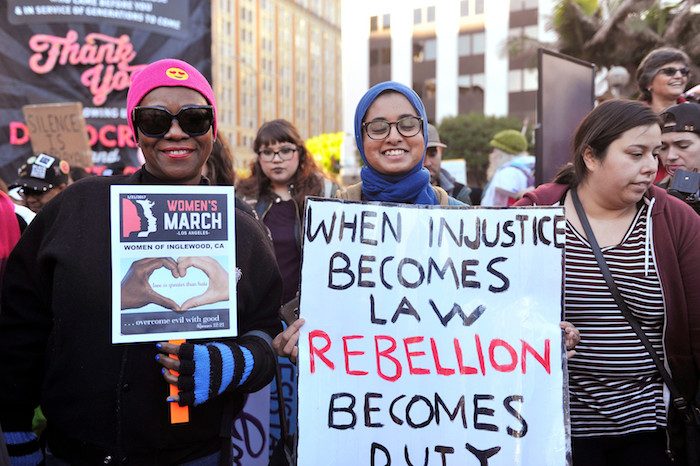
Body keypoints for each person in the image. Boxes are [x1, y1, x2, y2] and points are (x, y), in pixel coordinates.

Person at [0, 58, 282, 465]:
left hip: (193, 455)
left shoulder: (242, 227)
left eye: (195, 118)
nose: (175, 132)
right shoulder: (77, 207)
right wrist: (15, 429)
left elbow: (267, 339)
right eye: (154, 119)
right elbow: (22, 323)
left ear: (212, 130)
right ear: (135, 130)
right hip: (72, 452)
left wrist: (224, 365)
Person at [273, 81, 579, 362]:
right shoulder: (333, 220)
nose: (394, 136)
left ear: (422, 133)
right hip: (359, 399)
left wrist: (540, 335)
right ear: (360, 137)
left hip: (445, 399)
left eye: (408, 124)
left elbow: (492, 310)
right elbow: (321, 312)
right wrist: (300, 343)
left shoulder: (460, 217)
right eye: (378, 127)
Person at [515, 99, 700, 465]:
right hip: (549, 433)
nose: (652, 166)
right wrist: (537, 331)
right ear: (591, 156)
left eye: (655, 152)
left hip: (648, 434)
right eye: (636, 154)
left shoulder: (676, 221)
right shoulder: (532, 215)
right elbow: (496, 311)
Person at [237, 119, 337, 306]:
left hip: (310, 309)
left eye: (285, 150)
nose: (276, 159)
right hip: (259, 313)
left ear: (300, 152)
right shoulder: (242, 196)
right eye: (267, 152)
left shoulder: (326, 192)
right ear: (258, 157)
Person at [480, 129, 534, 207]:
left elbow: (505, 189)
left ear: (502, 154)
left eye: (495, 151)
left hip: (500, 217)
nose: (492, 155)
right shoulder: (525, 169)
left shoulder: (508, 172)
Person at [423, 123, 471, 204]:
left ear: (441, 152)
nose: (427, 163)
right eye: (421, 156)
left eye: (432, 153)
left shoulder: (459, 192)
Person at [636, 47, 692, 114]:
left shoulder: (695, 113)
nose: (679, 76)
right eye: (669, 71)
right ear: (648, 83)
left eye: (683, 71)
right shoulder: (634, 117)